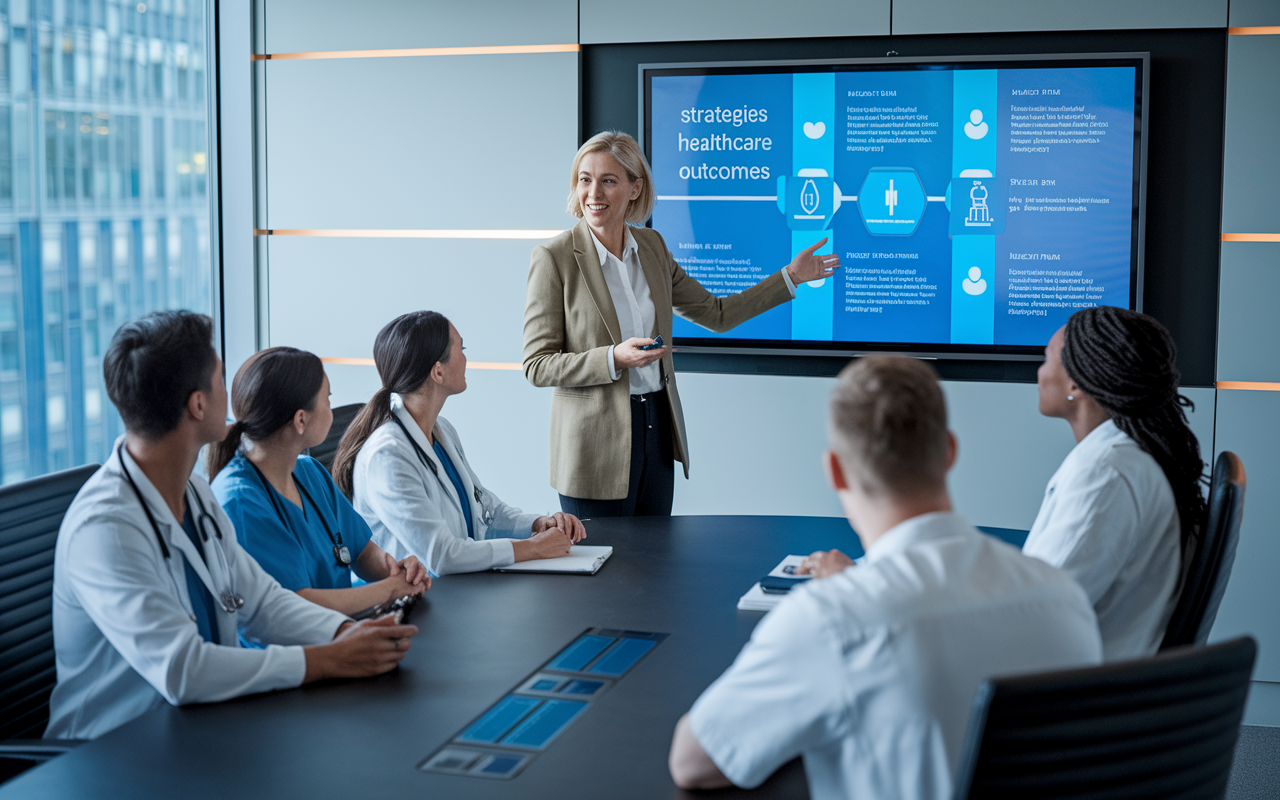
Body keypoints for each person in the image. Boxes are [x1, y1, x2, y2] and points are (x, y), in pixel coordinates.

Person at [668, 356, 1102, 799]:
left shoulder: (831, 621)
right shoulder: (1063, 597)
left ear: (834, 470)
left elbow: (693, 762)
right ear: (950, 450)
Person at [47, 311, 419, 740]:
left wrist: (347, 634)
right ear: (198, 404)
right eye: (221, 379)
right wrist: (327, 660)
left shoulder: (196, 497)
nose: (235, 396)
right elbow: (182, 669)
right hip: (115, 755)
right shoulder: (104, 528)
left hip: (203, 730)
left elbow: (260, 603)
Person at [523, 130, 841, 517]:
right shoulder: (554, 258)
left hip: (656, 428)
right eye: (585, 180)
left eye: (608, 180)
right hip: (593, 449)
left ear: (635, 188)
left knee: (655, 569)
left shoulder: (652, 248)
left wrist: (789, 276)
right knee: (603, 571)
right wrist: (613, 359)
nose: (594, 193)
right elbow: (536, 365)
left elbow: (717, 314)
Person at [332, 311, 586, 577]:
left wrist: (536, 524)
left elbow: (485, 510)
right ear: (438, 371)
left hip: (457, 589)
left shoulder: (442, 431)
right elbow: (441, 556)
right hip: (413, 603)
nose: (465, 358)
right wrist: (532, 548)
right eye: (461, 349)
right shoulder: (387, 456)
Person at [1023, 305, 1207, 660]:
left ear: (1075, 383)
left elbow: (1033, 613)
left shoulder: (1105, 473)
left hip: (1062, 691)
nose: (1039, 371)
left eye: (1045, 359)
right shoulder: (1129, 455)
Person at [209, 347, 430, 616]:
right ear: (300, 420)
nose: (332, 410)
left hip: (340, 633)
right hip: (290, 652)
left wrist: (398, 570)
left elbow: (361, 553)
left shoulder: (309, 472)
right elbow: (295, 605)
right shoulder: (240, 502)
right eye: (327, 400)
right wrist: (390, 590)